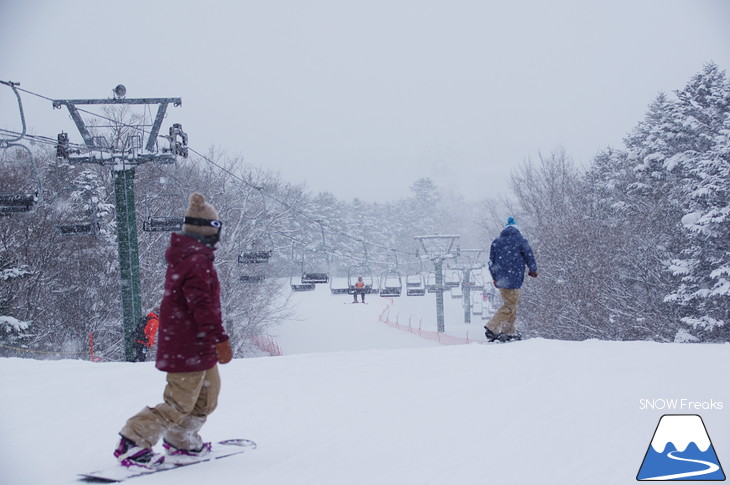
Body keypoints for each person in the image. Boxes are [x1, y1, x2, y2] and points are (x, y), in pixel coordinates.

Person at [114, 193, 233, 468]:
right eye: (216, 229)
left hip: (198, 345)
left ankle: (181, 438)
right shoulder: (195, 261)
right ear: (207, 230)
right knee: (179, 402)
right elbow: (201, 305)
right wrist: (220, 339)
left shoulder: (195, 257)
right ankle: (133, 441)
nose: (218, 235)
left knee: (207, 396)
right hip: (187, 345)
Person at [484, 217, 538, 342]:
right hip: (514, 278)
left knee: (511, 304)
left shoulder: (497, 242)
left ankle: (509, 332)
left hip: (501, 279)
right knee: (510, 305)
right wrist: (533, 270)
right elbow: (529, 255)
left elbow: (491, 262)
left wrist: (494, 278)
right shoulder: (520, 240)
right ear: (516, 228)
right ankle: (492, 327)